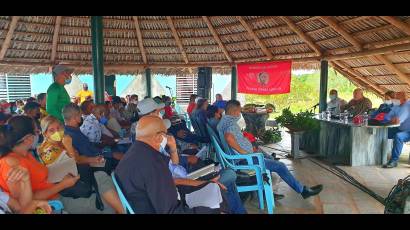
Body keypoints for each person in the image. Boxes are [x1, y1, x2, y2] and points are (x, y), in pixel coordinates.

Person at [218, 100, 323, 199]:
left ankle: (265, 191)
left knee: (269, 158)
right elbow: (229, 137)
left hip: (243, 158)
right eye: (239, 111)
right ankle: (303, 191)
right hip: (245, 160)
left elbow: (231, 138)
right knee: (280, 166)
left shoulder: (224, 122)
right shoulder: (230, 123)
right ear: (234, 111)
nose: (239, 114)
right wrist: (245, 153)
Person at [115, 115, 220, 214]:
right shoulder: (153, 163)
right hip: (159, 208)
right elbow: (171, 211)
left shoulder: (134, 153)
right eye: (166, 134)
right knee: (219, 203)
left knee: (213, 192)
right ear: (160, 137)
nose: (167, 137)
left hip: (148, 205)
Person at [63, 103, 121, 172]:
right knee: (119, 159)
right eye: (80, 115)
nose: (81, 117)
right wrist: (111, 154)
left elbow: (89, 145)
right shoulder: (73, 135)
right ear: (75, 117)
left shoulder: (72, 130)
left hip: (96, 153)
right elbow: (89, 154)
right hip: (92, 162)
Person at [383, 92, 410, 168]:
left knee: (398, 136)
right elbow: (387, 117)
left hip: (408, 131)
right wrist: (391, 119)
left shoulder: (407, 106)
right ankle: (378, 156)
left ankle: (394, 161)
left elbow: (398, 120)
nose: (395, 100)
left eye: (397, 98)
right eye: (395, 98)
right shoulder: (397, 105)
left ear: (404, 100)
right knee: (383, 132)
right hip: (400, 128)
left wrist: (393, 119)